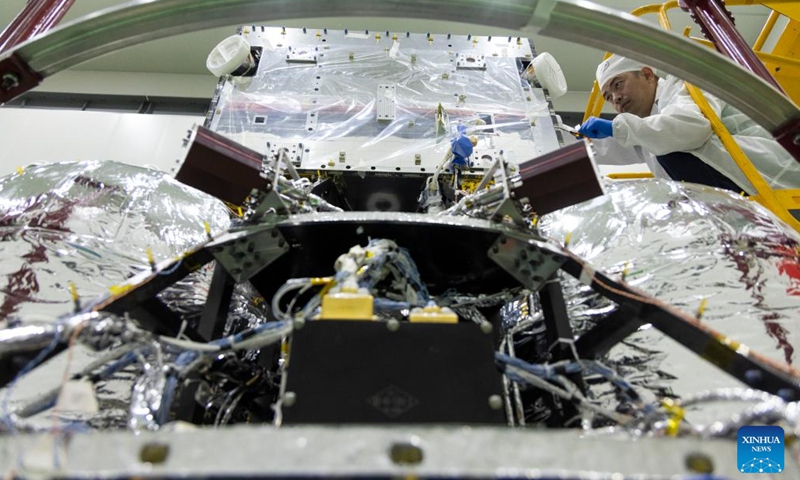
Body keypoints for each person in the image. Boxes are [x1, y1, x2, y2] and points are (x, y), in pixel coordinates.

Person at [579, 55, 800, 195]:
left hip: (775, 177)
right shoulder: (648, 130)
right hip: (743, 194)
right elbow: (606, 149)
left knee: (669, 151)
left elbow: (692, 128)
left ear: (647, 74)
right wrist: (564, 133)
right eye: (608, 97)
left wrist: (616, 128)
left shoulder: (686, 81)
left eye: (618, 85)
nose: (615, 98)